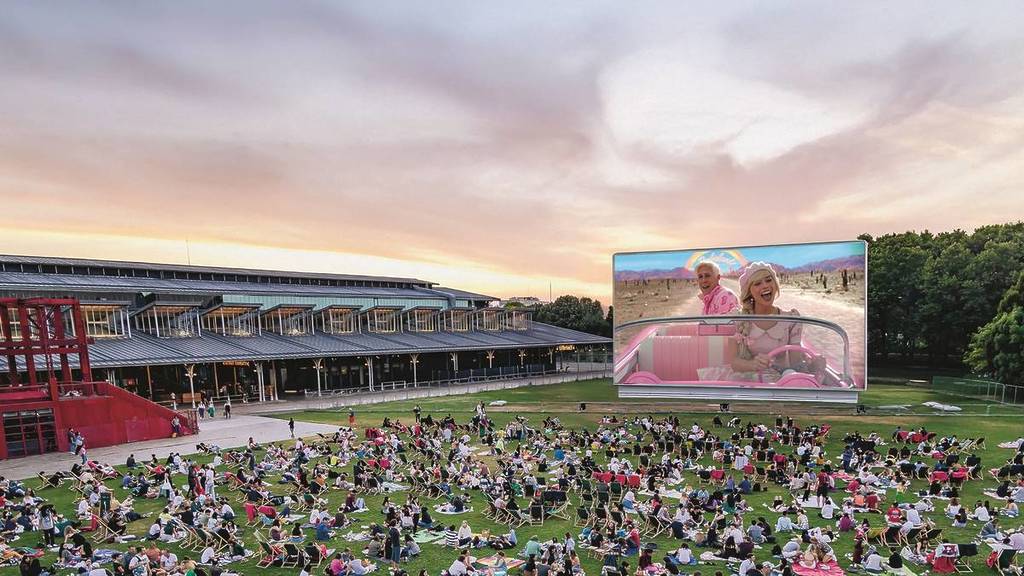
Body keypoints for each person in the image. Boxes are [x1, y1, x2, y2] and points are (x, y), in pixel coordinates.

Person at [728, 262, 825, 382]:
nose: (765, 286)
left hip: (781, 382)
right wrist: (753, 364)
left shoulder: (791, 319)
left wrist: (813, 365)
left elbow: (796, 362)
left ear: (775, 284)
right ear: (749, 292)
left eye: (768, 280)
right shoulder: (739, 318)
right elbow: (733, 362)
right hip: (749, 382)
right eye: (757, 283)